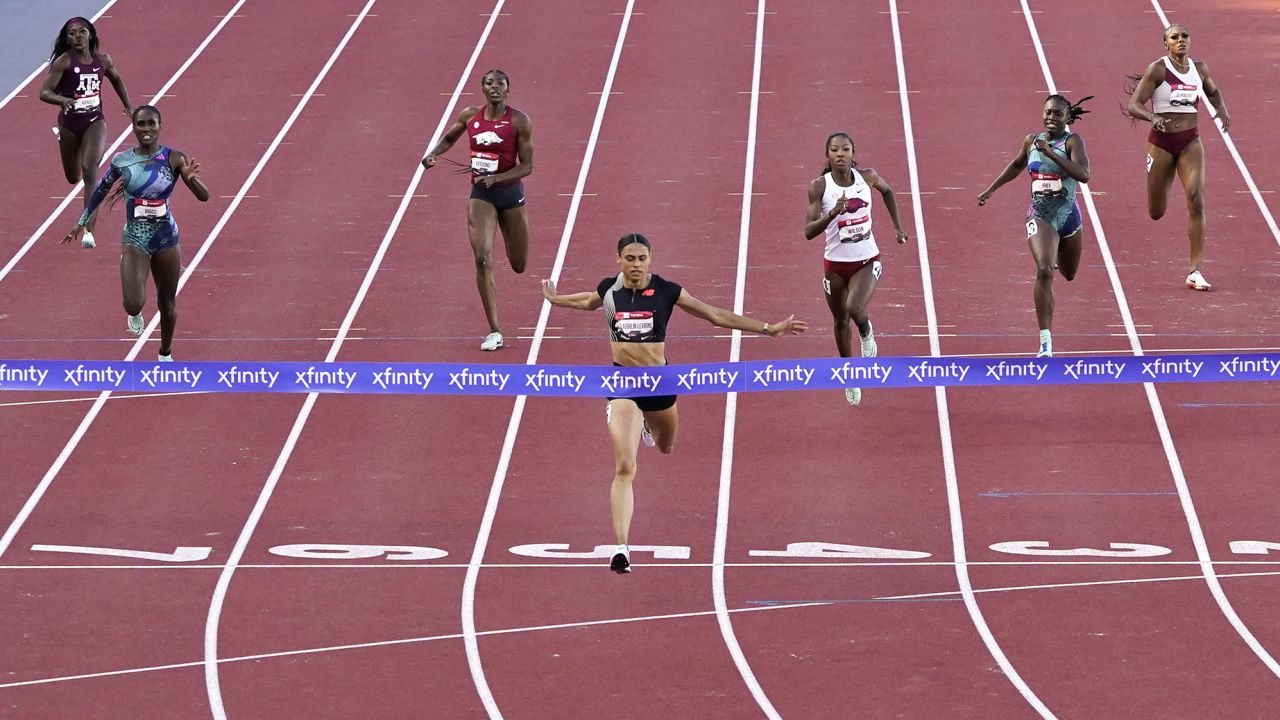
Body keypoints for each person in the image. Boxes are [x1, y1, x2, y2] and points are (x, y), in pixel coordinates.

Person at [540, 233, 806, 573]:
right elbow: (586, 301)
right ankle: (621, 547)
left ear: (650, 260)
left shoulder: (667, 290)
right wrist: (556, 299)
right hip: (623, 385)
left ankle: (650, 426)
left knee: (666, 447)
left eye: (642, 259)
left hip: (661, 384)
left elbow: (714, 315)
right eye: (630, 258)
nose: (636, 265)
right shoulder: (609, 289)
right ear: (618, 259)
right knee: (625, 467)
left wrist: (768, 328)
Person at [63, 106, 208, 361]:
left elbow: (203, 197)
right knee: (133, 303)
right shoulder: (122, 160)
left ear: (160, 126)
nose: (146, 129)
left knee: (167, 303)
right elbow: (100, 192)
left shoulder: (174, 158)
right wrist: (83, 221)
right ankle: (134, 310)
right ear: (133, 127)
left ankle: (165, 354)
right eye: (141, 124)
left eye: (151, 124)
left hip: (166, 238)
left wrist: (191, 179)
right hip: (135, 237)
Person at [422, 69, 533, 351]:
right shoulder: (470, 115)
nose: (494, 87)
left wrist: (496, 178)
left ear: (508, 89)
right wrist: (434, 153)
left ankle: (512, 247)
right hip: (481, 196)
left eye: (500, 84)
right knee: (482, 258)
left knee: (519, 264)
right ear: (483, 89)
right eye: (489, 83)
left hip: (510, 195)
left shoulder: (519, 121)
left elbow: (527, 166)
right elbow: (449, 138)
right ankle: (494, 330)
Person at [979, 95, 1092, 358]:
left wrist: (1051, 153)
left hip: (1068, 216)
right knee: (1044, 269)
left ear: (1067, 118)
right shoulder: (1031, 140)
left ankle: (1055, 256)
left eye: (1057, 114)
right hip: (1039, 215)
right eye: (1048, 113)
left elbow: (1084, 175)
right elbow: (1017, 164)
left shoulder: (1072, 142)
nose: (1051, 117)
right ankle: (1045, 342)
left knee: (1069, 273)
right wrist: (991, 189)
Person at [803, 132, 908, 406]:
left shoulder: (868, 177)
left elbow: (888, 191)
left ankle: (866, 331)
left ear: (853, 154)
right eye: (835, 150)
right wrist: (831, 214)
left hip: (867, 260)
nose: (840, 154)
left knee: (854, 308)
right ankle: (849, 376)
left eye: (845, 149)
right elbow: (808, 232)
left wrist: (897, 226)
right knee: (839, 320)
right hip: (835, 265)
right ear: (827, 156)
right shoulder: (819, 187)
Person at [1125, 23, 1230, 291]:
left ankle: (1195, 271)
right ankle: (1164, 179)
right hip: (1161, 144)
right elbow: (1134, 104)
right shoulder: (1158, 69)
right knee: (1156, 212)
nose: (1181, 40)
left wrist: (1222, 109)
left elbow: (1213, 90)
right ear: (1166, 44)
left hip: (1190, 142)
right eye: (1175, 37)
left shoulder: (1200, 68)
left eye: (1185, 36)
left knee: (1197, 199)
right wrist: (1152, 116)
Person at [39, 17, 133, 250]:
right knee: (73, 177)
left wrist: (128, 106)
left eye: (82, 32)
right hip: (70, 125)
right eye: (72, 33)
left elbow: (117, 78)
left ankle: (88, 230)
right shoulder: (64, 62)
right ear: (67, 38)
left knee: (90, 170)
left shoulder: (103, 60)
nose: (77, 36)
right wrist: (62, 99)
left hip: (95, 122)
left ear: (90, 34)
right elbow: (44, 92)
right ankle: (64, 140)